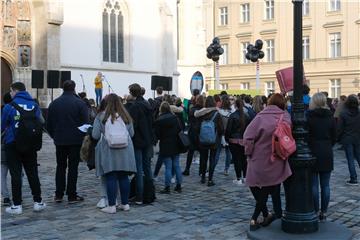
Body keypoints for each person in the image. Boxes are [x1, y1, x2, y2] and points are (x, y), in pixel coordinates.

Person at [243, 93, 292, 231]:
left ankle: (255, 218)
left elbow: (248, 137)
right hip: (278, 157)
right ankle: (266, 214)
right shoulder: (286, 117)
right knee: (267, 187)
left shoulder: (260, 117)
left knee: (255, 185)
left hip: (258, 158)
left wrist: (248, 152)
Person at [1, 82, 46, 214]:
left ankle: (17, 205)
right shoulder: (34, 105)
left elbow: (2, 125)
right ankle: (38, 202)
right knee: (33, 173)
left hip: (13, 143)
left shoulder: (9, 106)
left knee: (15, 174)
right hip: (30, 143)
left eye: (11, 91)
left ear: (15, 91)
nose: (10, 93)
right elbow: (41, 121)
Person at [91, 94, 137, 213]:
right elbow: (131, 134)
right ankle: (125, 204)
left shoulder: (101, 116)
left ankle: (111, 205)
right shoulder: (126, 116)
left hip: (109, 150)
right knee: (123, 176)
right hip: (125, 150)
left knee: (111, 176)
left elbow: (95, 135)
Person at [47, 80, 89, 203]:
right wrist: (81, 136)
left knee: (60, 166)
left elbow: (49, 124)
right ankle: (71, 195)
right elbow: (86, 123)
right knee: (73, 167)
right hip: (75, 141)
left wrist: (54, 136)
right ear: (74, 88)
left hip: (60, 140)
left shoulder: (54, 103)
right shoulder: (80, 103)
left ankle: (58, 194)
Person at [307, 93, 336, 221]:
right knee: (325, 185)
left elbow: (306, 136)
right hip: (326, 151)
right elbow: (335, 136)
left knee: (313, 185)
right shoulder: (330, 117)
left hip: (313, 151)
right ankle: (324, 212)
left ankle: (315, 210)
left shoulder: (309, 116)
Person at [125, 83, 154, 204]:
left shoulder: (135, 107)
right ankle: (150, 194)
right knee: (147, 168)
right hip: (148, 139)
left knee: (139, 168)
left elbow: (133, 126)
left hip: (139, 140)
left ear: (131, 93)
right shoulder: (147, 104)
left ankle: (140, 196)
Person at [154, 102, 183, 194]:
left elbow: (157, 135)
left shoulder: (159, 120)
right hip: (176, 143)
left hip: (165, 145)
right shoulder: (175, 118)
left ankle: (167, 187)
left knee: (168, 168)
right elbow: (180, 129)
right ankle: (179, 186)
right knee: (177, 166)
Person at [194, 96, 223, 186]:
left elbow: (197, 127)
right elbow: (221, 128)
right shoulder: (217, 114)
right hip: (214, 140)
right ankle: (210, 179)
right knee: (212, 159)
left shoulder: (201, 113)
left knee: (203, 158)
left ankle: (203, 177)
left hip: (202, 139)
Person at [225, 98, 249, 185]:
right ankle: (245, 177)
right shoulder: (246, 116)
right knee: (244, 160)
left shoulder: (233, 116)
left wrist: (227, 139)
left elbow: (228, 130)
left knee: (237, 160)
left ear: (235, 105)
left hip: (234, 141)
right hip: (243, 140)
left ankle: (239, 178)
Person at [337, 95, 360, 185]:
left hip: (347, 138)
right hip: (357, 138)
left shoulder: (343, 113)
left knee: (350, 159)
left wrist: (337, 138)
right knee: (359, 157)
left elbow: (339, 128)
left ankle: (353, 178)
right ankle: (353, 178)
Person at [182, 95, 204, 176]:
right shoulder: (204, 110)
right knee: (202, 153)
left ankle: (187, 169)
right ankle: (201, 171)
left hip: (192, 132)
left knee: (190, 152)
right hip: (201, 133)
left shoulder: (192, 109)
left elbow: (189, 120)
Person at [215, 95, 232, 175]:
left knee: (217, 152)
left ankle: (211, 168)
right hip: (229, 134)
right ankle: (226, 169)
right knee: (228, 153)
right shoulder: (232, 111)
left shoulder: (218, 111)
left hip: (220, 133)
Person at [1, 92, 12, 206]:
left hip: (3, 145)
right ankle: (18, 195)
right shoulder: (17, 109)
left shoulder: (3, 110)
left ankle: (6, 197)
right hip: (15, 145)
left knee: (2, 173)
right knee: (18, 173)